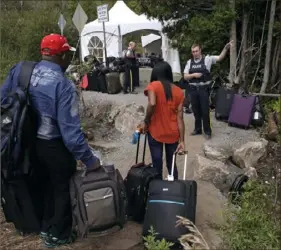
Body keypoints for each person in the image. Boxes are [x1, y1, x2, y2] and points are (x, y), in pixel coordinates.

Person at [1, 33, 100, 248]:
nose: (69, 60)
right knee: (60, 186)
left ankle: (41, 225)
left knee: (40, 184)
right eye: (68, 55)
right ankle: (57, 234)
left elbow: (3, 102)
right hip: (52, 145)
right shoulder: (64, 86)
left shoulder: (21, 70)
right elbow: (71, 136)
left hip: (24, 143)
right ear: (62, 56)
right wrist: (91, 160)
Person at [139, 61, 185, 180]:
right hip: (172, 134)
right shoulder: (179, 91)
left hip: (155, 132)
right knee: (171, 164)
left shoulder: (153, 86)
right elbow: (180, 118)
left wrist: (146, 120)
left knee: (157, 164)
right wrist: (182, 141)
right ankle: (173, 190)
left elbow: (152, 103)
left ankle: (158, 191)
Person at [183, 41, 233, 139]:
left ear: (200, 50)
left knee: (205, 111)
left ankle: (207, 131)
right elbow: (185, 76)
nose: (195, 53)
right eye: (193, 51)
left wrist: (226, 48)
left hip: (203, 90)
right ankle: (197, 129)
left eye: (196, 51)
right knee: (196, 111)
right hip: (193, 89)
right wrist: (193, 75)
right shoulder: (189, 62)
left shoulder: (208, 59)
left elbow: (220, 57)